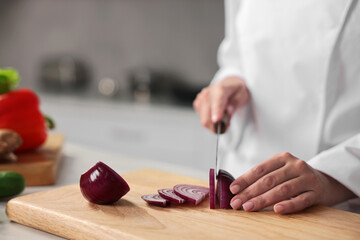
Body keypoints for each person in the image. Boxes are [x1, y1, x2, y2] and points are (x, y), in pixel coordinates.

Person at [193, 0, 360, 214]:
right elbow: (236, 56)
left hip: (337, 202)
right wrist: (232, 81)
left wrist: (331, 177)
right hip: (241, 181)